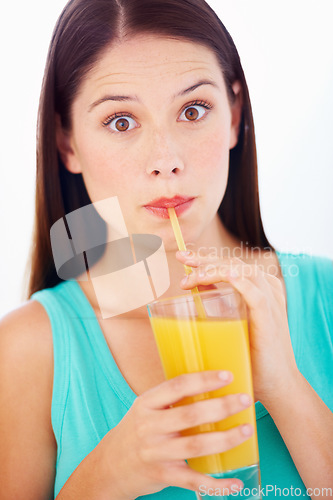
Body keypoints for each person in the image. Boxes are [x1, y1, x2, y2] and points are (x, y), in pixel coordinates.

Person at [0, 0, 332, 498]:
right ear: (67, 143)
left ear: (235, 114)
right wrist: (102, 478)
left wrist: (286, 387)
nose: (165, 160)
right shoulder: (30, 350)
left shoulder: (324, 296)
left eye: (193, 110)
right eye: (120, 121)